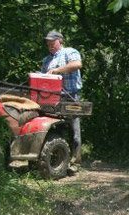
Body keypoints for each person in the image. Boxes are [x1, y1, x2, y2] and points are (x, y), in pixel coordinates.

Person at [41, 30, 83, 163]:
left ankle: (76, 161)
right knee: (55, 128)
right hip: (52, 99)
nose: (50, 44)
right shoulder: (46, 60)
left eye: (52, 41)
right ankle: (59, 160)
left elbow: (77, 64)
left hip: (71, 97)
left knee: (74, 130)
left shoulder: (69, 52)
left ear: (60, 41)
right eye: (48, 42)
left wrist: (57, 70)